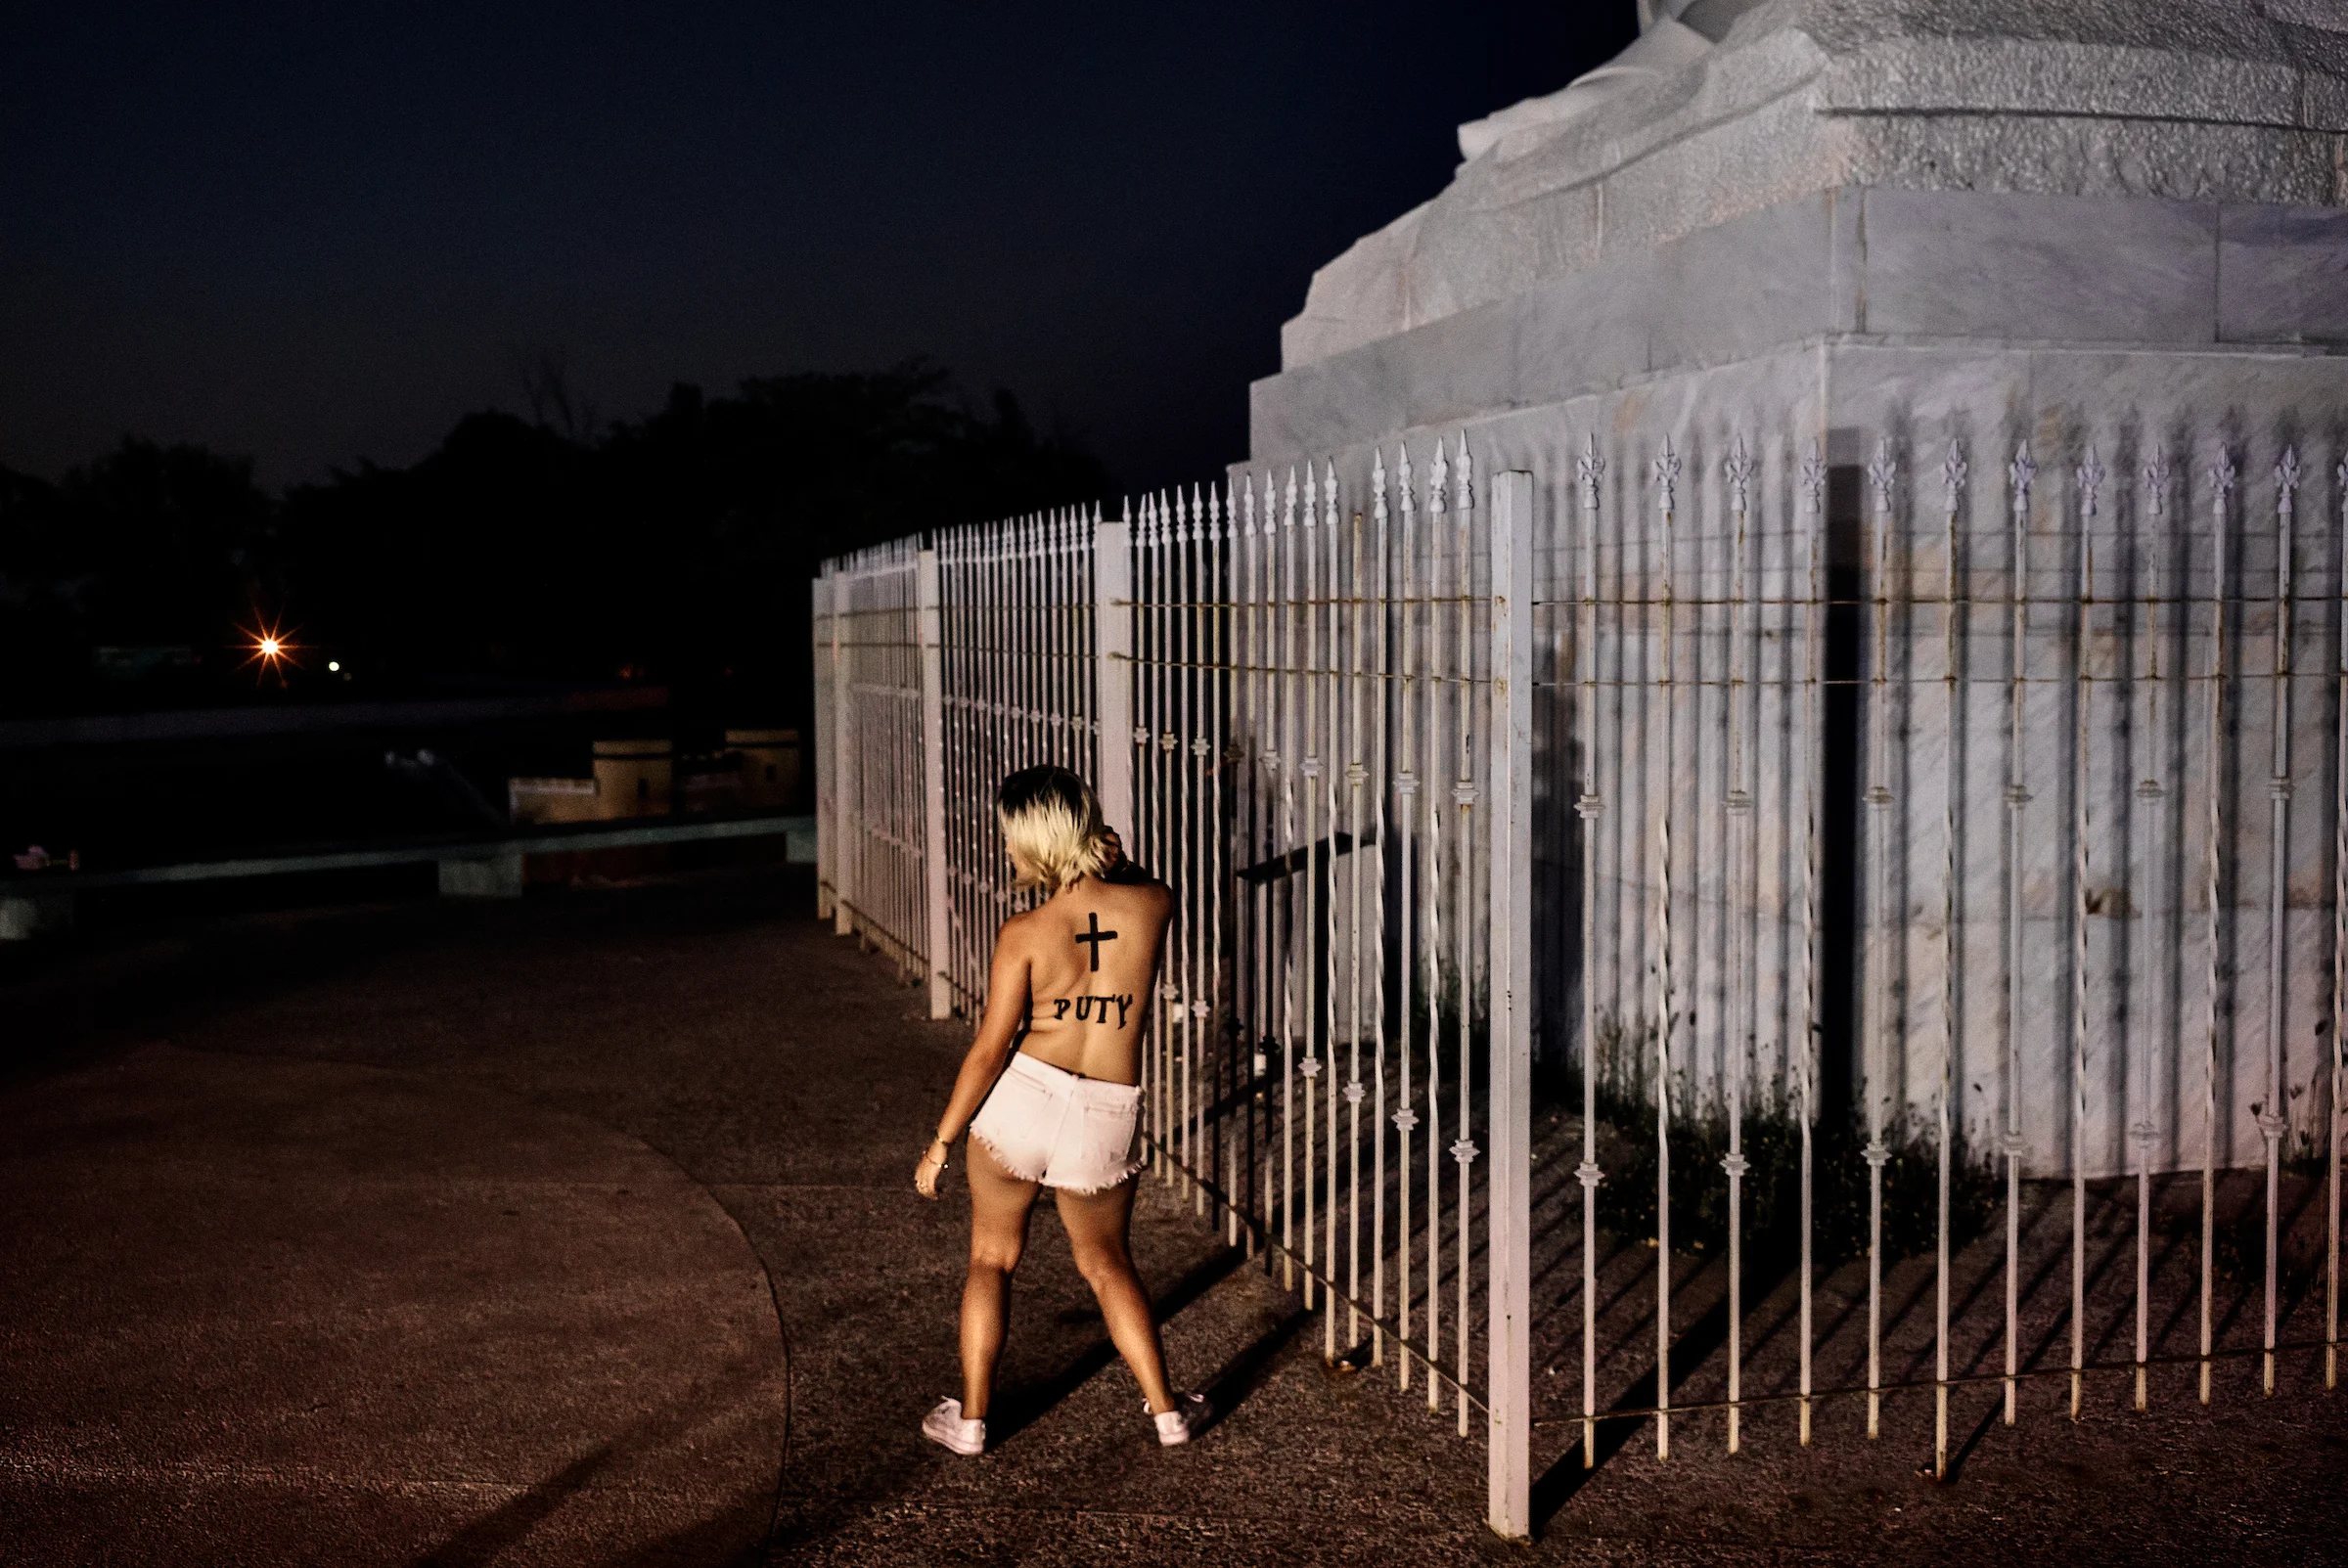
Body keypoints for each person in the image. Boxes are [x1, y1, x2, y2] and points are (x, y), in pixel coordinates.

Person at [912, 765, 1208, 1455]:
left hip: (1023, 1097)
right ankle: (1168, 1413)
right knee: (1107, 1262)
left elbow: (990, 1050)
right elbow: (1139, 883)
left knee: (991, 1257)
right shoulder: (1152, 903)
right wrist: (1118, 861)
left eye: (1012, 838)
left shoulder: (1025, 931)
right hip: (1105, 1109)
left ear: (1038, 842)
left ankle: (972, 1421)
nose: (1007, 850)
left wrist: (941, 1142)